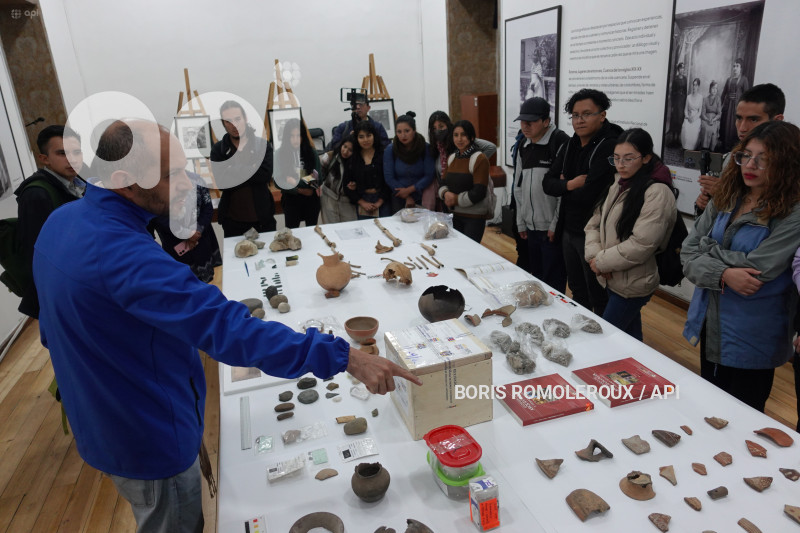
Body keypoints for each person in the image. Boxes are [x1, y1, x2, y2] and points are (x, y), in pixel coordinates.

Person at [34, 119, 421, 533]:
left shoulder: (62, 222)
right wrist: (345, 357)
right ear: (126, 182)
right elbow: (228, 328)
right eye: (172, 175)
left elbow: (52, 329)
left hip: (103, 416)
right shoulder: (122, 255)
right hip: (146, 436)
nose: (186, 184)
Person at [682, 120, 800, 413]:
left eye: (764, 159)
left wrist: (707, 251)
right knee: (709, 408)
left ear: (787, 163)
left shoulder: (793, 211)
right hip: (710, 319)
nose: (751, 165)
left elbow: (759, 269)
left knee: (743, 415)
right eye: (746, 155)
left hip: (753, 331)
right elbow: (687, 251)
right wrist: (723, 273)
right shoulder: (728, 194)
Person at [584, 128, 677, 341]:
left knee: (607, 339)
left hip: (633, 282)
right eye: (616, 158)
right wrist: (595, 258)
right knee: (630, 338)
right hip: (611, 276)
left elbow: (642, 244)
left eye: (628, 158)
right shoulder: (618, 183)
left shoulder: (657, 192)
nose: (620, 165)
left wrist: (601, 262)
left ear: (646, 158)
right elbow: (593, 224)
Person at [542, 88, 623, 315]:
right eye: (575, 115)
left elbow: (591, 194)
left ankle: (604, 334)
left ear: (602, 115)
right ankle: (582, 327)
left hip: (596, 233)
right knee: (577, 290)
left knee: (598, 293)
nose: (579, 120)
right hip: (569, 228)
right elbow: (547, 184)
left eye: (587, 114)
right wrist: (570, 184)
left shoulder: (610, 145)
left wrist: (563, 184)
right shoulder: (571, 144)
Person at [14, 125, 86, 319]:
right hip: (62, 293)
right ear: (44, 159)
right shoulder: (37, 195)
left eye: (76, 152)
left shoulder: (79, 184)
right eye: (62, 153)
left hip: (82, 283)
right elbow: (39, 254)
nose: (72, 159)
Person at [694, 83, 785, 214]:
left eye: (753, 120)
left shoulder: (789, 167)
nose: (742, 128)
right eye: (739, 118)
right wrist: (706, 204)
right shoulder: (728, 159)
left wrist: (726, 195)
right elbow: (715, 213)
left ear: (777, 121)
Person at [510, 97, 569, 291]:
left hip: (551, 229)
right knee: (536, 280)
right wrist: (521, 221)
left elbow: (563, 190)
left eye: (531, 121)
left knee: (554, 284)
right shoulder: (523, 145)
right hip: (530, 228)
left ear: (546, 121)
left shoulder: (560, 143)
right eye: (522, 121)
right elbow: (518, 186)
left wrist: (555, 224)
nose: (525, 126)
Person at [210, 100, 276, 237]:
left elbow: (264, 175)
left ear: (245, 118)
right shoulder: (218, 150)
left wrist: (232, 169)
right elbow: (222, 183)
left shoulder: (262, 146)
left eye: (237, 119)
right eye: (228, 121)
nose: (234, 125)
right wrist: (251, 169)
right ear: (223, 123)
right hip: (232, 222)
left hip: (263, 219)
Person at [148, 171, 222, 283]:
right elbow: (157, 216)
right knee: (183, 283)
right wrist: (186, 233)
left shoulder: (196, 179)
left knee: (209, 281)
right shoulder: (154, 186)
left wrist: (197, 231)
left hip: (201, 240)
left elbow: (207, 208)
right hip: (175, 244)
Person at [426, 111, 496, 212]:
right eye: (434, 128)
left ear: (448, 125)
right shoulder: (436, 147)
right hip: (446, 196)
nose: (438, 131)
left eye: (441, 126)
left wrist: (475, 163)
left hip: (467, 197)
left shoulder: (459, 140)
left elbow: (491, 147)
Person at [438, 120, 491, 243]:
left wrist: (455, 199)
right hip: (454, 215)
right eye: (456, 135)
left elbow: (479, 192)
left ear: (471, 137)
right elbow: (442, 183)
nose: (459, 139)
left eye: (463, 135)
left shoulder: (480, 158)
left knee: (469, 251)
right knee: (457, 250)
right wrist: (445, 193)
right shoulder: (452, 158)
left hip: (474, 217)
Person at [274, 118, 321, 228]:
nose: (295, 140)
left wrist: (293, 180)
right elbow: (278, 181)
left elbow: (317, 180)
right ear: (286, 137)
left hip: (311, 200)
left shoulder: (312, 152)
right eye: (292, 136)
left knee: (312, 232)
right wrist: (300, 189)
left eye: (298, 135)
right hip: (291, 200)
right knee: (291, 233)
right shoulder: (279, 154)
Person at [383, 111, 434, 213]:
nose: (403, 135)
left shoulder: (425, 148)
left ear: (414, 130)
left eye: (407, 131)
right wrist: (406, 196)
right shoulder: (390, 149)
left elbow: (429, 175)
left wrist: (409, 190)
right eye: (399, 132)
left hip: (422, 195)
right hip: (398, 196)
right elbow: (389, 177)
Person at [345, 120, 390, 219]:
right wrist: (362, 202)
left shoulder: (383, 154)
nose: (365, 140)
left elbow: (389, 180)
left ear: (374, 136)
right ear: (356, 138)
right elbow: (347, 185)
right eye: (361, 137)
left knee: (385, 227)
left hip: (383, 200)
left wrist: (380, 201)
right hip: (362, 201)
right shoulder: (353, 158)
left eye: (368, 135)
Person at [319, 136, 357, 224]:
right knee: (331, 228)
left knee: (349, 227)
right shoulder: (330, 156)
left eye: (350, 150)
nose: (345, 151)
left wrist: (356, 185)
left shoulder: (357, 162)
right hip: (329, 197)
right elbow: (320, 175)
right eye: (344, 146)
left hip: (347, 201)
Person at [719, 58, 750, 152]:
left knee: (734, 127)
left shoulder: (744, 79)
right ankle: (724, 148)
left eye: (737, 66)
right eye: (734, 66)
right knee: (725, 127)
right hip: (727, 108)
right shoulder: (729, 79)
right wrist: (720, 106)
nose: (735, 68)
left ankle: (733, 149)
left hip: (737, 109)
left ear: (741, 68)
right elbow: (723, 94)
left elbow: (747, 96)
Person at [680, 78, 703, 150]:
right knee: (686, 128)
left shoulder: (700, 97)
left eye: (696, 85)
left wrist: (694, 118)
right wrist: (687, 117)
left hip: (696, 118)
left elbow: (700, 112)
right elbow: (685, 109)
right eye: (693, 85)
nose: (694, 87)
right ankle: (685, 147)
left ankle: (692, 149)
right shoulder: (688, 97)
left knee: (694, 129)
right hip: (688, 117)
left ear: (698, 86)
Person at [699, 80, 722, 150]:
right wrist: (707, 119)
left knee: (713, 129)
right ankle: (704, 148)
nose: (714, 90)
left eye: (716, 88)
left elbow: (719, 113)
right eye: (713, 88)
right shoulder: (705, 99)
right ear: (710, 89)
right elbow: (702, 113)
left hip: (715, 119)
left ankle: (711, 149)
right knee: (706, 128)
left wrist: (713, 119)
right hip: (706, 119)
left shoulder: (718, 99)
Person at [668, 62, 687, 146]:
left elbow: (685, 91)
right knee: (675, 119)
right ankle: (673, 138)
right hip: (676, 101)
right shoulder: (675, 79)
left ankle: (678, 138)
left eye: (683, 68)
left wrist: (685, 103)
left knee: (680, 119)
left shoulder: (685, 79)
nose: (682, 70)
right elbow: (672, 92)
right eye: (681, 68)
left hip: (682, 102)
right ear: (678, 69)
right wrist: (672, 105)